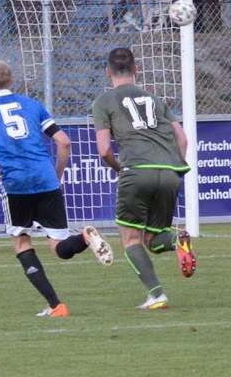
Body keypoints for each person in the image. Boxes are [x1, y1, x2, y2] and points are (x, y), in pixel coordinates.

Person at [0, 60, 114, 319]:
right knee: (58, 247)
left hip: (16, 185)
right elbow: (64, 142)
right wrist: (56, 176)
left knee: (22, 242)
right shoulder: (33, 105)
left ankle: (56, 306)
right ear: (11, 80)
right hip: (46, 181)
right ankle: (84, 238)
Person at [92, 47, 197, 311]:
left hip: (137, 171)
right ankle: (176, 241)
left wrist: (119, 168)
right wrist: (175, 167)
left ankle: (157, 295)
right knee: (153, 239)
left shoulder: (103, 102)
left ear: (108, 71)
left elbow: (104, 149)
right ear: (136, 70)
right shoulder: (155, 98)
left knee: (130, 239)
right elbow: (182, 139)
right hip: (169, 170)